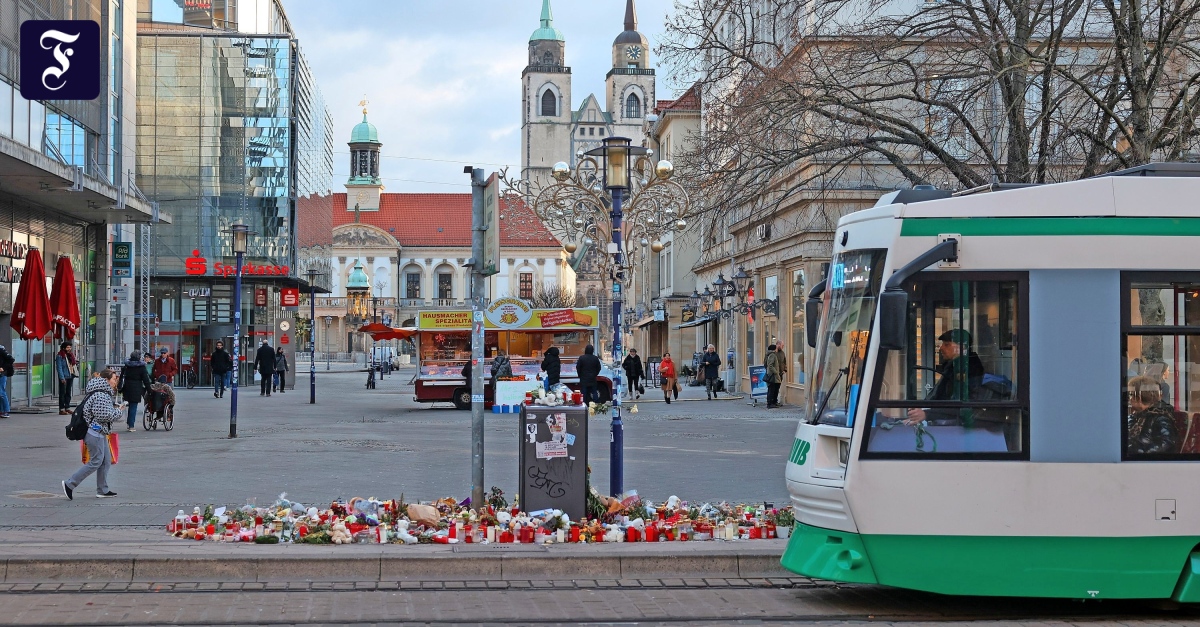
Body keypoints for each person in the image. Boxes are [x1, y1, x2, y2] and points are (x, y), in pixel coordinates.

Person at [61, 369, 125, 500]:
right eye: (113, 379)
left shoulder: (98, 392)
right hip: (95, 433)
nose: (115, 382)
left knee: (105, 461)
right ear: (106, 380)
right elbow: (103, 415)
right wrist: (119, 411)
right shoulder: (101, 394)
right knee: (96, 461)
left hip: (99, 432)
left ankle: (102, 490)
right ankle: (70, 483)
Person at [904, 329, 985, 425]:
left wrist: (927, 414)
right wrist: (921, 409)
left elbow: (960, 406)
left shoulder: (969, 369)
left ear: (962, 347)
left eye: (947, 345)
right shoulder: (953, 366)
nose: (941, 348)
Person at [1128, 374, 1178, 455]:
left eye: (1131, 394)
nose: (1129, 398)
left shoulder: (1161, 417)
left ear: (1138, 397)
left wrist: (1137, 452)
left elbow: (1166, 444)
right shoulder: (1134, 417)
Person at [118, 351, 152, 432]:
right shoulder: (141, 367)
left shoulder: (127, 366)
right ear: (139, 357)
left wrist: (120, 387)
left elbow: (121, 377)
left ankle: (129, 422)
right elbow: (146, 380)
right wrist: (149, 389)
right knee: (133, 406)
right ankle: (131, 425)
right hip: (136, 388)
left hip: (127, 387)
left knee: (128, 405)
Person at [55, 341, 78, 415]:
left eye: (70, 347)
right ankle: (61, 409)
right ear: (64, 347)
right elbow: (59, 368)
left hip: (70, 375)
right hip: (64, 376)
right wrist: (62, 378)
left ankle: (67, 407)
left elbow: (73, 364)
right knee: (62, 393)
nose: (69, 349)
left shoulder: (70, 355)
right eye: (68, 347)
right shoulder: (60, 356)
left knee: (68, 392)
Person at [765, 344, 783, 408]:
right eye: (776, 348)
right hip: (773, 376)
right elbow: (770, 365)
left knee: (774, 389)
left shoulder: (770, 354)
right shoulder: (772, 355)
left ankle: (773, 402)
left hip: (772, 375)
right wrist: (776, 372)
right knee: (771, 389)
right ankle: (770, 403)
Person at [0, 345, 13, 419]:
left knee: (1, 392)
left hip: (2, 374)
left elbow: (11, 359)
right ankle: (2, 410)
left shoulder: (1, 350)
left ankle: (6, 410)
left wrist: (3, 368)